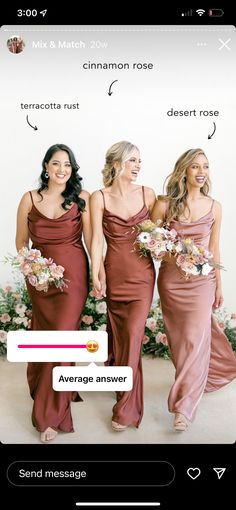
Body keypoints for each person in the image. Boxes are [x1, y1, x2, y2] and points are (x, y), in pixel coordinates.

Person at [151, 148, 236, 431]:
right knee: (180, 342)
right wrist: (169, 249)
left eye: (206, 167)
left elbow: (213, 249)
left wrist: (219, 286)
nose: (201, 172)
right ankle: (194, 380)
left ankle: (183, 409)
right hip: (172, 282)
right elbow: (151, 244)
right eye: (195, 167)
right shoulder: (164, 205)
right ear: (183, 171)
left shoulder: (215, 206)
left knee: (193, 339)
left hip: (202, 282)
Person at [15, 144, 91, 442]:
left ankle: (47, 415)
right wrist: (34, 273)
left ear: (72, 170)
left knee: (60, 339)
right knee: (46, 338)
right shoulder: (29, 199)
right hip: (40, 279)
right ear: (46, 166)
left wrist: (99, 274)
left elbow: (91, 241)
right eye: (56, 164)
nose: (62, 170)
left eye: (68, 165)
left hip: (73, 278)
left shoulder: (81, 199)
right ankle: (56, 385)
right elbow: (22, 242)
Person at [90, 141, 156, 431]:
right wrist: (96, 273)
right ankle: (120, 382)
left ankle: (126, 410)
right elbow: (95, 241)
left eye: (139, 160)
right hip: (114, 273)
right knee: (119, 335)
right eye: (132, 160)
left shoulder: (148, 195)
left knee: (132, 335)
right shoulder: (98, 197)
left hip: (142, 276)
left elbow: (160, 235)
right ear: (116, 164)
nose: (138, 166)